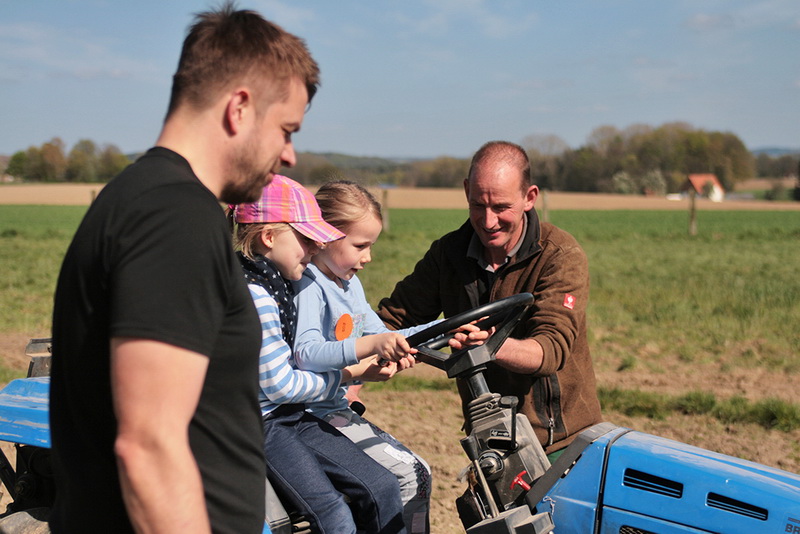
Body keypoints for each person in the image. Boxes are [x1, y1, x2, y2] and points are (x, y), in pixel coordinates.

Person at [49, 5, 320, 533]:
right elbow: (149, 446)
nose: (289, 155)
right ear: (239, 107)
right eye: (286, 129)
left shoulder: (142, 198)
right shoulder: (176, 218)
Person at [377, 141, 603, 459]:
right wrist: (350, 367)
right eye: (477, 205)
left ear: (529, 197)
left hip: (558, 439)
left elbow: (550, 350)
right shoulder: (449, 253)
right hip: (488, 434)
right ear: (467, 190)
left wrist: (490, 345)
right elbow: (394, 319)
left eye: (500, 207)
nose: (487, 221)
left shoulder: (559, 255)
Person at [293, 180, 482, 534]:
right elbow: (307, 355)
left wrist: (447, 330)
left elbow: (384, 335)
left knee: (416, 472)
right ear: (323, 236)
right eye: (360, 246)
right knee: (411, 475)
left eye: (371, 246)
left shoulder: (348, 285)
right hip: (310, 414)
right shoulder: (308, 285)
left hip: (332, 409)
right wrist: (368, 352)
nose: (368, 258)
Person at [229, 175, 406, 534]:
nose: (314, 250)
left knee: (383, 485)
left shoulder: (276, 286)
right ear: (268, 237)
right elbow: (280, 385)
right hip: (262, 423)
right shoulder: (258, 296)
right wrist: (347, 375)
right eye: (307, 240)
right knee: (334, 514)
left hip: (289, 415)